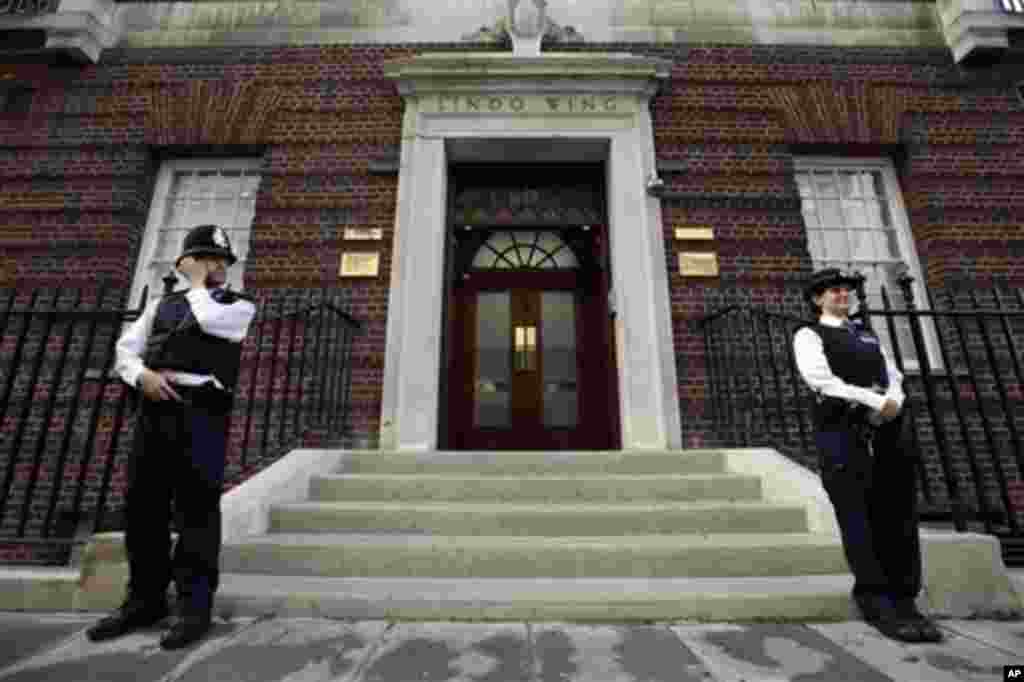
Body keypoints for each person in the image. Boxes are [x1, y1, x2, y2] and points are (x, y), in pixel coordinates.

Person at [87, 224, 256, 650]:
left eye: (220, 260)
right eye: (207, 258)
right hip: (155, 406)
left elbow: (207, 319)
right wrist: (140, 375)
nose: (215, 266)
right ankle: (144, 600)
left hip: (202, 409)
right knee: (144, 506)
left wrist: (196, 284)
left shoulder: (236, 307)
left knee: (197, 508)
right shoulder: (161, 305)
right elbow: (126, 349)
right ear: (189, 262)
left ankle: (194, 606)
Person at [792, 267, 942, 644]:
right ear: (817, 298)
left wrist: (893, 401)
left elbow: (894, 375)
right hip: (842, 435)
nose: (843, 296)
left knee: (896, 513)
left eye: (847, 290)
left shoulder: (867, 333)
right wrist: (876, 402)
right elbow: (821, 380)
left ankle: (905, 598)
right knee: (858, 516)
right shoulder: (809, 334)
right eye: (834, 291)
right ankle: (876, 600)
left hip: (886, 432)